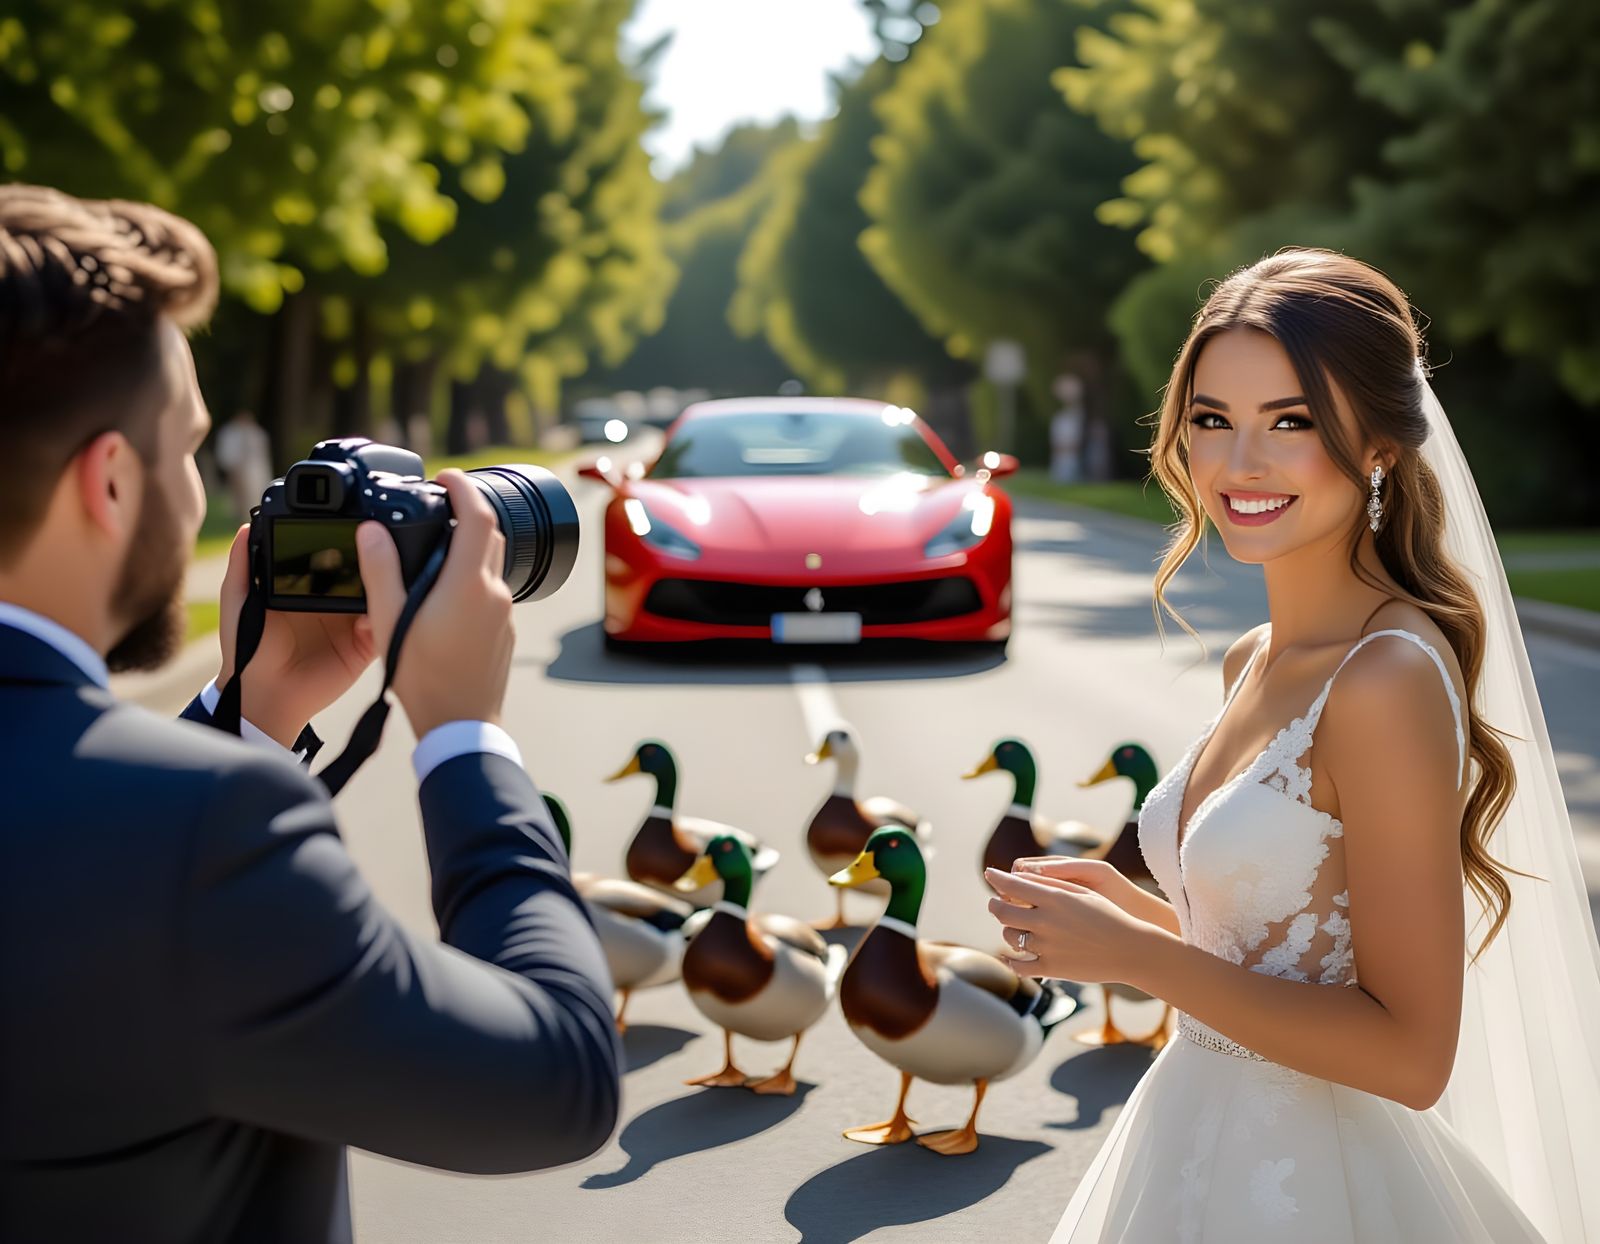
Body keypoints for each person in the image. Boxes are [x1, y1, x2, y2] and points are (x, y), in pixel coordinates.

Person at [0, 187, 622, 1240]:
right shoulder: (203, 836)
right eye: (187, 449)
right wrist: (462, 735)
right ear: (109, 482)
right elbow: (556, 1079)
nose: (197, 497)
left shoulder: (163, 827)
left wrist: (256, 706)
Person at [985, 249, 1600, 1241]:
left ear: (1380, 447)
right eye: (1211, 420)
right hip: (1186, 1141)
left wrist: (1142, 956)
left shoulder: (1385, 677)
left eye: (1291, 421)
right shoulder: (1254, 657)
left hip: (1315, 1186)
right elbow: (1288, 953)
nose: (1239, 465)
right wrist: (1132, 916)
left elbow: (1411, 1055)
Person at [213, 408, 272, 521]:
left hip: (254, 471)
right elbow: (227, 454)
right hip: (238, 469)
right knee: (238, 498)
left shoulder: (257, 433)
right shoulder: (230, 433)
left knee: (253, 495)